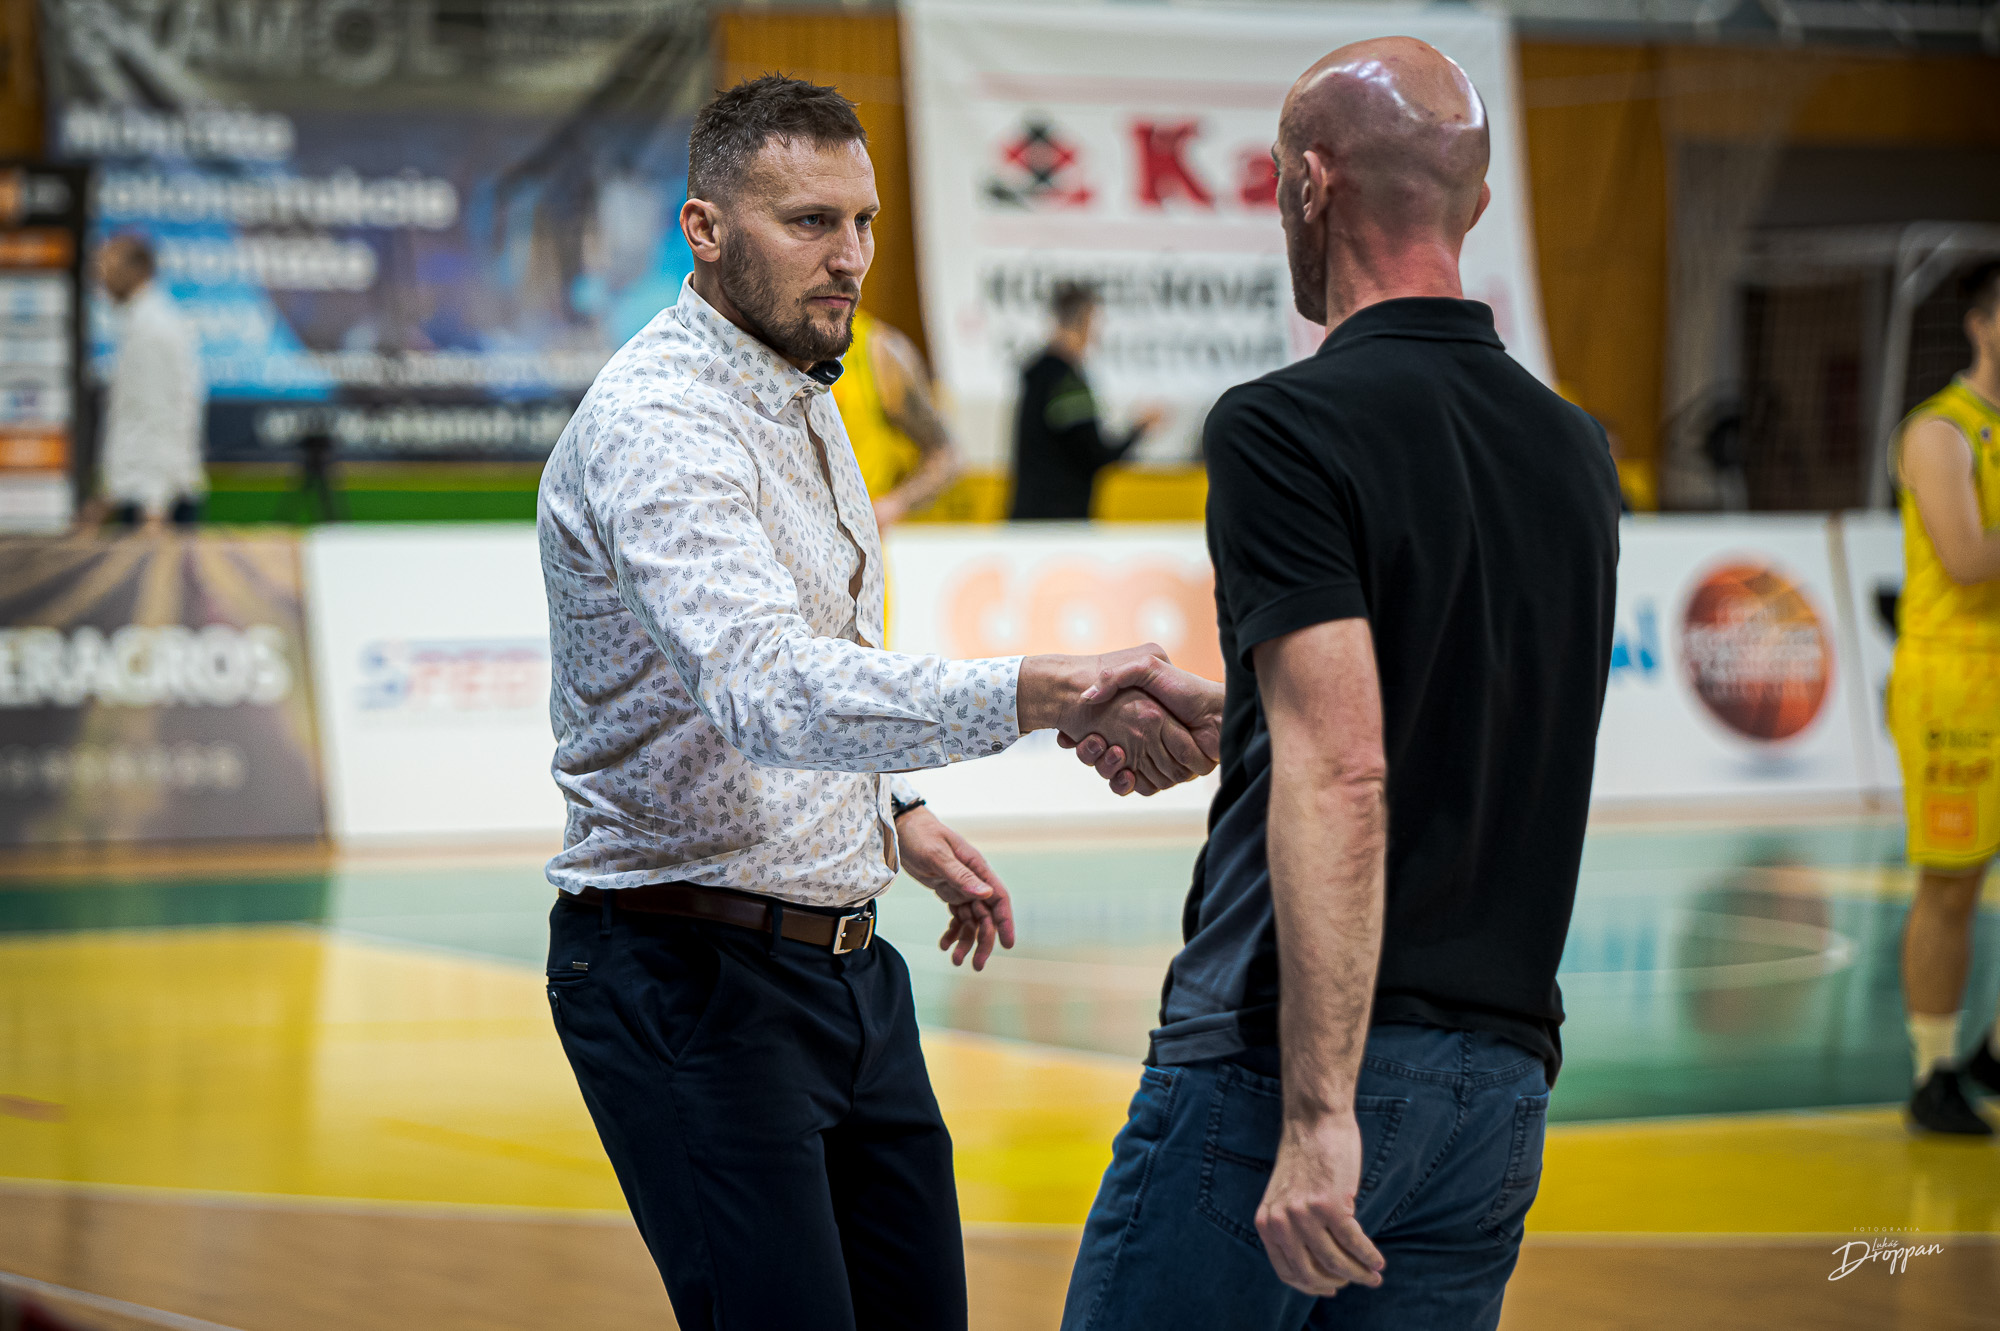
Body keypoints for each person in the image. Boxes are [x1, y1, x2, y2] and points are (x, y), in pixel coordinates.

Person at [533, 76, 1218, 1331]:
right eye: (808, 221)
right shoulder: (658, 422)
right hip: (689, 976)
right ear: (703, 228)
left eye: (862, 221)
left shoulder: (802, 387)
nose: (848, 256)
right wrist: (1043, 690)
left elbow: (818, 652)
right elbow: (764, 685)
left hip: (847, 968)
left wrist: (893, 809)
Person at [1057, 38, 1620, 1329]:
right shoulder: (1574, 448)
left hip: (1286, 1065)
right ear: (1474, 202)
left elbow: (1347, 764)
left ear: (1309, 184)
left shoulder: (1284, 425)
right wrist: (1249, 715)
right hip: (1497, 1087)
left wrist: (1318, 1114)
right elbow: (1460, 710)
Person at [1886, 258, 2000, 1136]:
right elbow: (1965, 558)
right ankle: (1933, 1071)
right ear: (1981, 323)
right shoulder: (1941, 430)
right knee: (1952, 884)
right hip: (1956, 682)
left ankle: (1992, 1052)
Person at [1008, 281, 1162, 520]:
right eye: (1095, 324)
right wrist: (1139, 429)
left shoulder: (1039, 374)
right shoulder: (1066, 383)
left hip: (1029, 518)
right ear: (1085, 323)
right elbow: (1095, 456)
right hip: (1060, 522)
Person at [84, 234, 205, 532]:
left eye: (108, 267)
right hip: (142, 495)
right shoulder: (139, 322)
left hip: (156, 505)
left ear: (136, 271)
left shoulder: (153, 327)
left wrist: (154, 503)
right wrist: (110, 492)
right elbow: (132, 420)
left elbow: (165, 415)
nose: (100, 278)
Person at [832, 308, 961, 527]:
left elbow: (946, 453)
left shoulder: (875, 350)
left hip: (856, 538)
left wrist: (895, 503)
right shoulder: (772, 351)